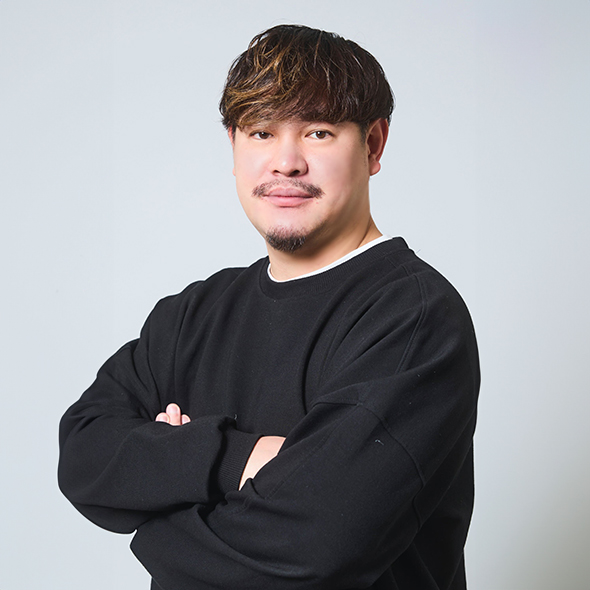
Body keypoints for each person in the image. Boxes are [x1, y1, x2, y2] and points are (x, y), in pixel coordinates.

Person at [58, 24, 479, 590]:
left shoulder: (414, 318)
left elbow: (314, 545)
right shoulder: (192, 314)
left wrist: (159, 517)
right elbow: (83, 454)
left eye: (318, 132)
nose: (286, 162)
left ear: (374, 145)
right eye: (261, 132)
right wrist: (239, 458)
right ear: (233, 146)